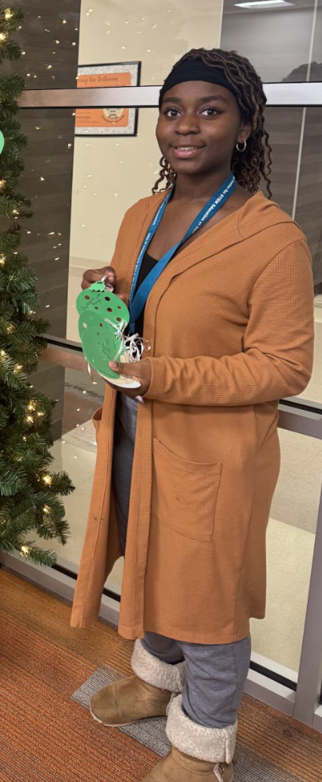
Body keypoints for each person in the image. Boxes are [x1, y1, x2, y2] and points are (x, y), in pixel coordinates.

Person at [71, 49, 314, 781]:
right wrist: (108, 293)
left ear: (244, 128)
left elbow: (283, 366)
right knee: (149, 563)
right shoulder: (141, 213)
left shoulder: (272, 238)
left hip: (209, 452)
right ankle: (155, 680)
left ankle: (205, 743)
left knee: (205, 595)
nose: (185, 127)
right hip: (134, 435)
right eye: (172, 110)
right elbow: (146, 308)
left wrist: (159, 375)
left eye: (210, 111)